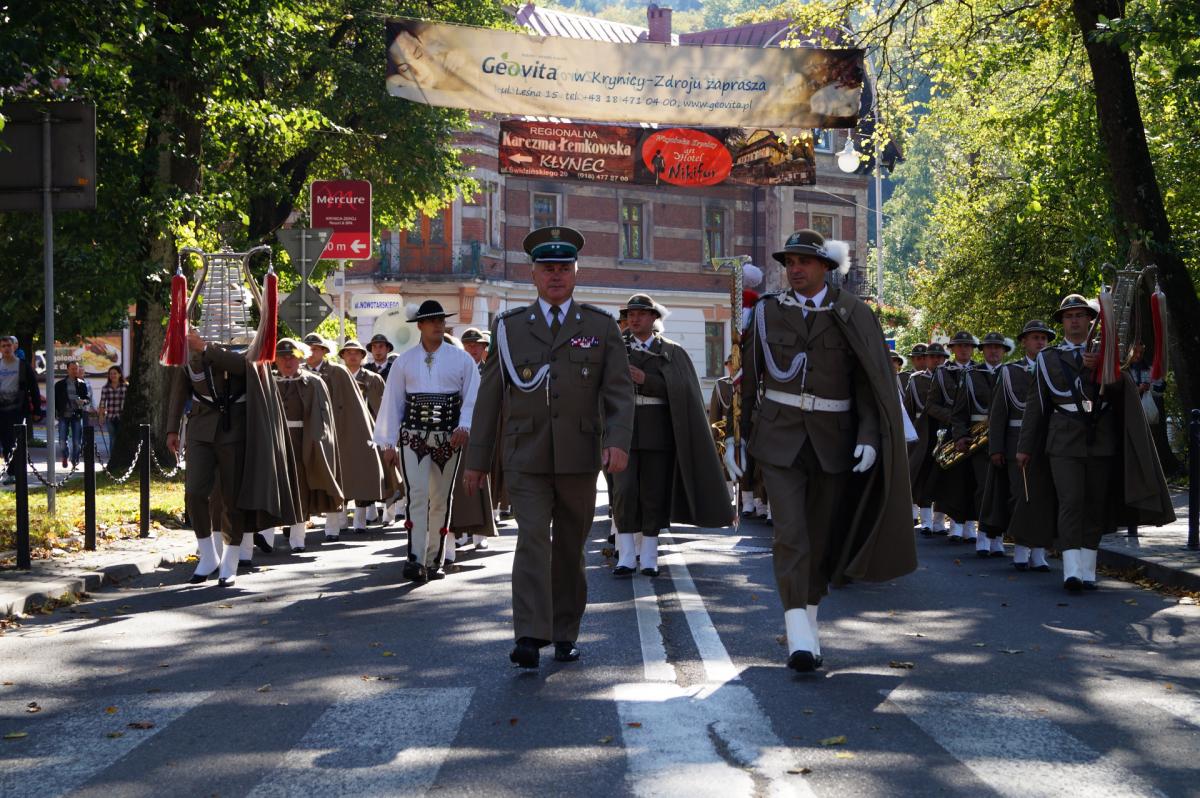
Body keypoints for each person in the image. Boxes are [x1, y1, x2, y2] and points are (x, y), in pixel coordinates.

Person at [731, 229, 916, 673]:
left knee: (820, 538)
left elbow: (870, 384)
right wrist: (738, 439)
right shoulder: (766, 313)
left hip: (834, 440)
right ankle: (797, 630)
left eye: (805, 262)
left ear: (826, 268)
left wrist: (869, 437)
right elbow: (749, 381)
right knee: (790, 534)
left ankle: (809, 621)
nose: (795, 269)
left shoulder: (852, 313)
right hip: (779, 440)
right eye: (790, 262)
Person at [463, 225, 634, 669]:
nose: (556, 275)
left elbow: (619, 392)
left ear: (576, 273)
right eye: (547, 268)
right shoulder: (509, 328)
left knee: (570, 548)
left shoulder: (599, 326)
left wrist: (617, 442)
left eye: (563, 268)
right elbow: (490, 398)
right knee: (533, 539)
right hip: (526, 455)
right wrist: (477, 461)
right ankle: (529, 634)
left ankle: (564, 632)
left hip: (579, 456)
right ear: (533, 275)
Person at [1018, 294, 1174, 591]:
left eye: (1080, 315)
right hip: (1063, 440)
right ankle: (1071, 571)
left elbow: (1122, 393)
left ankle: (1088, 570)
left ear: (1091, 320)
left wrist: (1105, 367)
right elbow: (1036, 405)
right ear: (1062, 322)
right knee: (1070, 501)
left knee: (1094, 504)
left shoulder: (1108, 352)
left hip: (1100, 438)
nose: (1075, 321)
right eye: (1069, 316)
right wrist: (1024, 447)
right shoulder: (1047, 358)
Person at [165, 329, 299, 586]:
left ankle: (231, 558)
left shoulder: (247, 343)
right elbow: (179, 388)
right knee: (194, 492)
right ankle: (207, 554)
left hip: (234, 429)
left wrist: (206, 348)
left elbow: (242, 367)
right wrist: (172, 429)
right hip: (200, 428)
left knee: (232, 498)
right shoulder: (192, 348)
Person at [611, 294, 731, 577]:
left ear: (654, 318)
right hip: (622, 433)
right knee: (623, 492)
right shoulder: (614, 349)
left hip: (658, 434)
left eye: (641, 314)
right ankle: (626, 556)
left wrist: (647, 381)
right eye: (631, 314)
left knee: (653, 494)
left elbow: (682, 391)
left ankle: (649, 557)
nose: (634, 319)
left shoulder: (672, 352)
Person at [374, 302, 480, 583]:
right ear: (419, 325)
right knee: (417, 495)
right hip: (413, 438)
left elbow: (473, 396)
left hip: (449, 438)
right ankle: (415, 558)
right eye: (431, 320)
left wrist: (465, 425)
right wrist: (387, 442)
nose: (437, 325)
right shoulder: (404, 361)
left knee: (441, 499)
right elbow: (393, 400)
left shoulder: (462, 360)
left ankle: (435, 560)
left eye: (441, 320)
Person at [982, 320, 1055, 572]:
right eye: (1035, 337)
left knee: (1044, 498)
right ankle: (1022, 549)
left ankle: (1039, 552)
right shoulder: (1009, 372)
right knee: (1020, 496)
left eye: (1044, 338)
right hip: (1015, 441)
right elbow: (998, 413)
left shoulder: (1055, 368)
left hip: (1048, 441)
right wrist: (996, 448)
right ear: (1024, 342)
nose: (1040, 342)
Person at [303, 332, 385, 543]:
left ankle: (350, 521)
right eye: (308, 348)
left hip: (343, 431)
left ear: (324, 351)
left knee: (350, 475)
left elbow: (358, 406)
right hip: (309, 433)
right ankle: (303, 525)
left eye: (315, 348)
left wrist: (372, 431)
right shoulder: (299, 372)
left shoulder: (338, 373)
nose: (311, 352)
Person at [270, 338, 342, 553]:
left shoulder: (313, 382)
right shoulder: (267, 381)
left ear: (300, 358)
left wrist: (318, 444)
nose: (287, 361)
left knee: (300, 487)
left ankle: (298, 538)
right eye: (282, 357)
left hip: (302, 442)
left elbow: (324, 419)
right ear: (275, 360)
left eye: (292, 357)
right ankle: (265, 536)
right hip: (273, 441)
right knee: (271, 485)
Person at [951, 331, 1010, 558]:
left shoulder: (1011, 372)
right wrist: (960, 436)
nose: (994, 351)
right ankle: (983, 536)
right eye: (989, 347)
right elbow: (959, 413)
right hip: (980, 440)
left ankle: (998, 537)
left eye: (998, 347)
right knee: (984, 489)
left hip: (1006, 438)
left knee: (1004, 489)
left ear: (1004, 351)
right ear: (982, 350)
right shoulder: (970, 375)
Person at [340, 339, 401, 530]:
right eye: (348, 352)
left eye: (356, 352)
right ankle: (341, 521)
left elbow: (384, 408)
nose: (352, 356)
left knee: (376, 474)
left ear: (362, 356)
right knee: (343, 476)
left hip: (371, 434)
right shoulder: (336, 377)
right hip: (343, 433)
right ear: (342, 356)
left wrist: (386, 434)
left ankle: (371, 517)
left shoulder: (373, 379)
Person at [926, 331, 979, 544]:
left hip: (975, 430)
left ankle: (970, 526)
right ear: (952, 349)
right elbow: (931, 405)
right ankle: (955, 525)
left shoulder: (980, 371)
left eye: (968, 345)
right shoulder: (942, 372)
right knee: (954, 480)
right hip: (949, 431)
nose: (964, 349)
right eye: (960, 345)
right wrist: (954, 417)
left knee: (973, 478)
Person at [449, 327, 497, 551]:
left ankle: (479, 533)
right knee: (458, 484)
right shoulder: (456, 372)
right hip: (459, 431)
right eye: (468, 345)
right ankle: (460, 531)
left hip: (483, 430)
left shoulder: (491, 370)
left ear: (484, 347)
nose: (473, 349)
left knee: (480, 481)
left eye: (477, 345)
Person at [906, 343, 950, 537]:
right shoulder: (916, 380)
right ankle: (926, 522)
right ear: (926, 358)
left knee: (942, 475)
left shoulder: (952, 377)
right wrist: (908, 436)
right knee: (922, 474)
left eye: (940, 357)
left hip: (945, 429)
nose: (936, 360)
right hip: (922, 432)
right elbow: (908, 410)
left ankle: (939, 521)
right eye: (932, 356)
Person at [1, 336, 43, 485]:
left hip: (18, 410)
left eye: (8, 345)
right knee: (6, 442)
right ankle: (11, 471)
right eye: (3, 346)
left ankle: (16, 471)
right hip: (2, 410)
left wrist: (37, 410)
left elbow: (34, 388)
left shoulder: (23, 366)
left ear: (14, 347)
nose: (6, 348)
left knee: (16, 441)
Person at [54, 361, 92, 468]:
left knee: (77, 442)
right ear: (68, 369)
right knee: (62, 440)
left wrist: (83, 401)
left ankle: (75, 460)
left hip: (77, 415)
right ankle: (65, 455)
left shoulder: (82, 384)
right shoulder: (59, 384)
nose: (75, 371)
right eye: (72, 368)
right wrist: (55, 413)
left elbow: (87, 399)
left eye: (76, 368)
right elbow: (54, 400)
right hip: (63, 415)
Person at [97, 365, 126, 445]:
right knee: (112, 439)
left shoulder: (125, 386)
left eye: (115, 373)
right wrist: (101, 416)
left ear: (120, 374)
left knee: (121, 439)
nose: (112, 375)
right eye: (110, 374)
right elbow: (102, 403)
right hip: (110, 417)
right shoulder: (105, 388)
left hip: (122, 417)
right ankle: (112, 454)